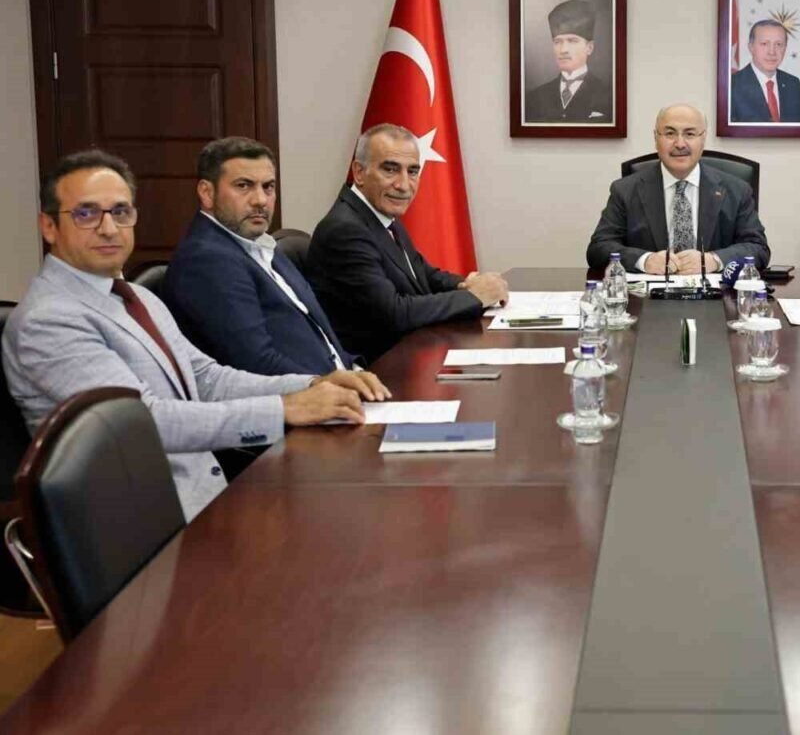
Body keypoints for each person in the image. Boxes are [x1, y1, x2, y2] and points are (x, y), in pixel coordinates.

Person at [2, 150, 389, 521]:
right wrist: (283, 409)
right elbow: (143, 422)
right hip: (142, 529)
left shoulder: (135, 296)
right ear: (48, 226)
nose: (108, 228)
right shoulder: (47, 320)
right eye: (86, 213)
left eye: (120, 212)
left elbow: (206, 377)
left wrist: (312, 384)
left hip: (205, 498)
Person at [308, 124, 509, 363]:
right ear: (359, 173)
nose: (404, 185)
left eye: (412, 171)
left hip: (408, 353)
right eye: (390, 170)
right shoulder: (344, 230)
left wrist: (466, 284)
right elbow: (394, 314)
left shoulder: (380, 216)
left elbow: (423, 275)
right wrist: (475, 297)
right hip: (377, 369)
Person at [165, 137, 358, 376]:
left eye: (268, 187)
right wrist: (332, 385)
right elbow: (255, 363)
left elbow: (319, 334)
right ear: (207, 193)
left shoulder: (260, 244)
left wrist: (354, 369)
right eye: (243, 186)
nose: (260, 200)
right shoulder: (206, 260)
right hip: (301, 395)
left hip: (337, 385)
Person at [586, 103, 770, 273]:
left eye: (690, 134)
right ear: (656, 138)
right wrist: (645, 260)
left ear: (703, 138)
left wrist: (713, 260)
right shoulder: (625, 190)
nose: (680, 144)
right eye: (670, 133)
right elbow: (598, 249)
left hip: (715, 294)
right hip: (649, 294)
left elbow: (758, 249)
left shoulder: (736, 190)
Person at [524, 0, 612, 124]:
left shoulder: (608, 95)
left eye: (572, 41)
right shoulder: (535, 97)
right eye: (557, 42)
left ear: (589, 48)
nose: (563, 50)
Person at [729, 20, 800, 123]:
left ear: (785, 48)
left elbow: (797, 131)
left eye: (779, 44)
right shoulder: (732, 85)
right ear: (751, 47)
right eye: (764, 44)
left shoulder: (792, 83)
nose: (772, 52)